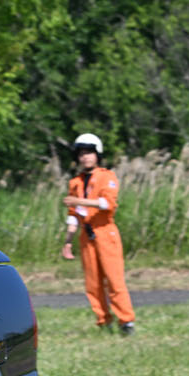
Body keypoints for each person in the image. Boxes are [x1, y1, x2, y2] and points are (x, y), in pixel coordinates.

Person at [61, 133, 136, 336]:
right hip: (86, 235)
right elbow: (73, 216)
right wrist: (68, 242)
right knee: (93, 283)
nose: (85, 157)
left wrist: (78, 202)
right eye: (82, 154)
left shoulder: (107, 176)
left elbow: (107, 203)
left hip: (105, 232)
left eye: (89, 153)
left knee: (114, 279)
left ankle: (126, 321)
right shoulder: (75, 182)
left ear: (97, 155)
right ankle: (103, 321)